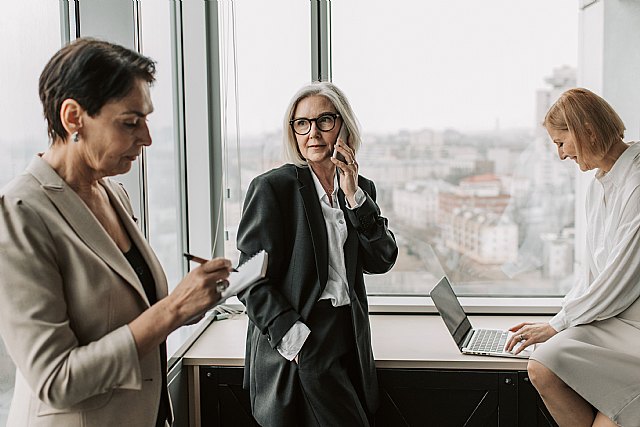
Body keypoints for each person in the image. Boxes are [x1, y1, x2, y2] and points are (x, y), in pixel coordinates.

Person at [0, 38, 233, 427]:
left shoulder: (114, 193)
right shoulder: (19, 213)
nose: (147, 138)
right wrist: (173, 308)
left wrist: (191, 300)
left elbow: (127, 316)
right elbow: (56, 380)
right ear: (73, 117)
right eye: (130, 122)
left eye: (146, 119)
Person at [236, 81, 398, 426]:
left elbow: (381, 260)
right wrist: (295, 339)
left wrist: (353, 196)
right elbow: (249, 280)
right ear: (292, 131)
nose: (313, 132)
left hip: (348, 333)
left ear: (343, 126)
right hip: (304, 333)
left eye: (325, 120)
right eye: (302, 123)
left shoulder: (359, 187)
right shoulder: (273, 188)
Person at [506, 88, 640, 427]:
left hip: (632, 323)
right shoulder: (599, 185)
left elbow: (620, 281)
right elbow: (592, 274)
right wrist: (562, 316)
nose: (561, 155)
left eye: (560, 143)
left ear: (587, 132)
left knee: (550, 354)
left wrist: (558, 325)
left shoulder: (637, 183)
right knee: (541, 365)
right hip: (616, 318)